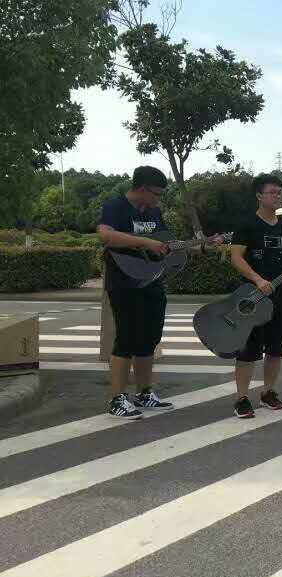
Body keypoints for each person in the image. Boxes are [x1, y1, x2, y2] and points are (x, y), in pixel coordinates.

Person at [97, 165, 175, 419]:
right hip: (124, 283)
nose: (158, 199)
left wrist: (201, 245)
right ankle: (117, 399)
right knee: (127, 338)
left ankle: (144, 393)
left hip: (152, 281)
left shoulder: (154, 212)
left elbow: (163, 242)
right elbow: (106, 235)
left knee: (149, 338)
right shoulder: (115, 207)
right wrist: (145, 242)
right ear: (142, 189)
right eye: (156, 194)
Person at [230, 173, 282, 419]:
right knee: (248, 349)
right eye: (272, 192)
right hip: (253, 295)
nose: (278, 196)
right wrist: (258, 280)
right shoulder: (246, 225)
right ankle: (241, 398)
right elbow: (236, 257)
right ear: (259, 196)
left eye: (280, 192)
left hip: (281, 294)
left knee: (276, 347)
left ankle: (268, 392)